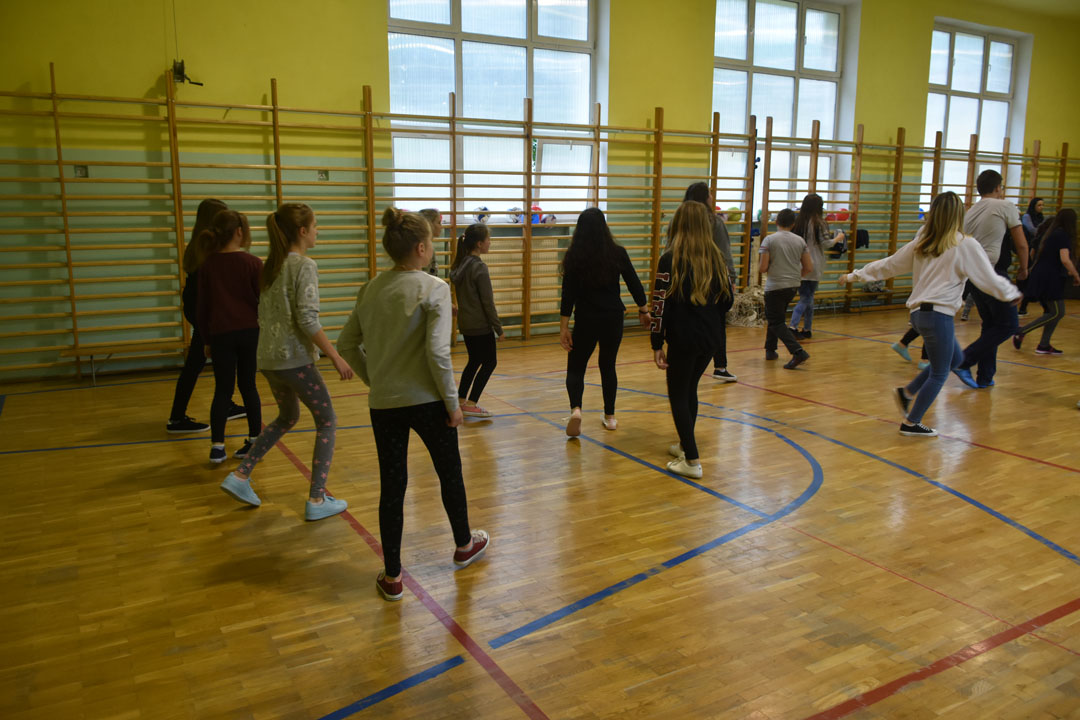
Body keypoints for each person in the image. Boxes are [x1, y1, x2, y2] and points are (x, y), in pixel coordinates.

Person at [337, 208, 489, 603]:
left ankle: (392, 576)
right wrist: (453, 404)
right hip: (429, 402)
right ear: (421, 248)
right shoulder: (434, 288)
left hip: (384, 404)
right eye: (432, 242)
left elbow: (346, 344)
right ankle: (463, 545)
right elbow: (438, 354)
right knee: (449, 473)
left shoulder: (370, 289)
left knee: (393, 485)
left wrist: (376, 380)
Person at [839, 192, 1019, 437]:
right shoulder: (965, 244)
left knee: (955, 360)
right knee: (940, 373)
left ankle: (907, 393)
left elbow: (889, 265)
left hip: (918, 316)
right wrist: (1010, 293)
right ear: (959, 215)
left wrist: (855, 275)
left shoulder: (922, 242)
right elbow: (987, 278)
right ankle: (911, 423)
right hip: (938, 316)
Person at [218, 203, 355, 520]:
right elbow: (307, 319)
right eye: (315, 226)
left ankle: (240, 475)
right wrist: (335, 355)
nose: (318, 231)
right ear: (303, 231)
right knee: (327, 421)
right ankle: (317, 499)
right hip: (294, 360)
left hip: (268, 359)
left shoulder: (271, 266)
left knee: (287, 416)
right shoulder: (303, 265)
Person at [650, 201, 733, 479]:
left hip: (684, 339)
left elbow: (659, 306)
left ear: (678, 225)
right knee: (689, 390)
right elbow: (728, 301)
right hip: (710, 339)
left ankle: (692, 460)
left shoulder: (669, 259)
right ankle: (686, 446)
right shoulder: (717, 259)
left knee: (678, 394)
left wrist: (656, 342)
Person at [560, 208, 649, 435]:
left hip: (586, 319)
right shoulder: (617, 253)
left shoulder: (574, 256)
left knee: (576, 366)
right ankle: (610, 417)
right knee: (608, 365)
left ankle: (576, 409)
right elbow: (634, 283)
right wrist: (644, 310)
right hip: (613, 318)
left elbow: (568, 295)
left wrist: (564, 327)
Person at [166, 198, 245, 433]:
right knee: (198, 363)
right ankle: (177, 418)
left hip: (199, 308)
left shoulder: (198, 244)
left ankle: (224, 404)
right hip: (205, 310)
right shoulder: (208, 249)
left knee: (211, 361)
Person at [195, 210, 263, 463]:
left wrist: (206, 340)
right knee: (249, 386)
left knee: (222, 389)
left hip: (221, 334)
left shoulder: (208, 265)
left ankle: (217, 446)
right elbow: (263, 302)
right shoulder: (253, 263)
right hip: (250, 332)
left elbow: (203, 308)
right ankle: (255, 440)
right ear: (239, 232)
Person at [953, 170, 1029, 389]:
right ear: (998, 187)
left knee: (991, 325)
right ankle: (964, 361)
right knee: (1008, 325)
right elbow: (1021, 243)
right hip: (992, 273)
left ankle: (985, 377)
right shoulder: (1005, 206)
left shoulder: (970, 212)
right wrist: (1024, 268)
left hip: (972, 275)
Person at [684, 182, 737, 382]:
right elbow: (724, 254)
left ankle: (686, 361)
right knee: (717, 322)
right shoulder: (714, 222)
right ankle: (720, 366)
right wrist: (731, 278)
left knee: (686, 319)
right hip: (710, 280)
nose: (712, 198)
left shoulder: (679, 220)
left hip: (685, 278)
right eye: (710, 194)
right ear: (705, 198)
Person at [450, 223, 503, 417]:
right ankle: (471, 403)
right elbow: (487, 302)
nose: (490, 242)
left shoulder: (461, 264)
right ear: (479, 244)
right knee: (490, 362)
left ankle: (460, 399)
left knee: (474, 361)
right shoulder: (479, 267)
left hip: (466, 324)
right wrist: (498, 328)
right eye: (488, 239)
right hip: (480, 325)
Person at [1013, 209, 1080, 354]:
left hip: (1044, 275)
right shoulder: (1062, 235)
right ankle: (1021, 331)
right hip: (1050, 278)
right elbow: (1065, 259)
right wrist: (1076, 275)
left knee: (1052, 312)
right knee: (1057, 312)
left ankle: (1044, 345)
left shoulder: (1052, 233)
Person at [759, 208, 813, 369]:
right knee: (776, 317)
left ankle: (798, 352)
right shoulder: (800, 241)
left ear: (776, 222)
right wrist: (795, 276)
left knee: (776, 321)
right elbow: (808, 267)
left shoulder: (769, 240)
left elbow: (762, 268)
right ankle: (770, 350)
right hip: (792, 286)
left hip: (775, 286)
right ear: (793, 224)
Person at [789, 193, 844, 339]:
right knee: (806, 297)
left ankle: (807, 328)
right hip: (814, 263)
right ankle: (793, 326)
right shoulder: (820, 223)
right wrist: (837, 238)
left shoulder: (798, 222)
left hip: (799, 262)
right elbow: (825, 243)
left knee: (807, 296)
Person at [1018, 198, 1045, 316]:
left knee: (1034, 277)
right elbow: (1032, 230)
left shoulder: (1041, 217)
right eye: (1039, 205)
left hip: (1038, 248)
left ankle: (1027, 302)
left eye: (1042, 205)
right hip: (1029, 247)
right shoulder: (1027, 217)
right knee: (1028, 275)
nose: (1041, 207)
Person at [419, 208, 443, 276]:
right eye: (438, 223)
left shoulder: (428, 245)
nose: (441, 226)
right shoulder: (424, 248)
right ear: (429, 224)